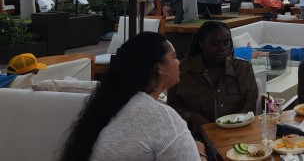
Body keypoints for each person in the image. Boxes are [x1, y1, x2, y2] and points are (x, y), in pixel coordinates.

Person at [59, 32, 206, 161]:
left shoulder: (109, 105)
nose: (178, 62)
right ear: (158, 67)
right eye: (174, 57)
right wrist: (200, 153)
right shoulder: (164, 119)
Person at [168, 22, 257, 135]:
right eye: (215, 43)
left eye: (226, 43)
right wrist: (193, 116)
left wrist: (233, 124)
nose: (222, 48)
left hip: (237, 132)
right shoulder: (182, 70)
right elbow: (173, 106)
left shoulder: (243, 68)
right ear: (201, 43)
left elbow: (250, 103)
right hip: (196, 136)